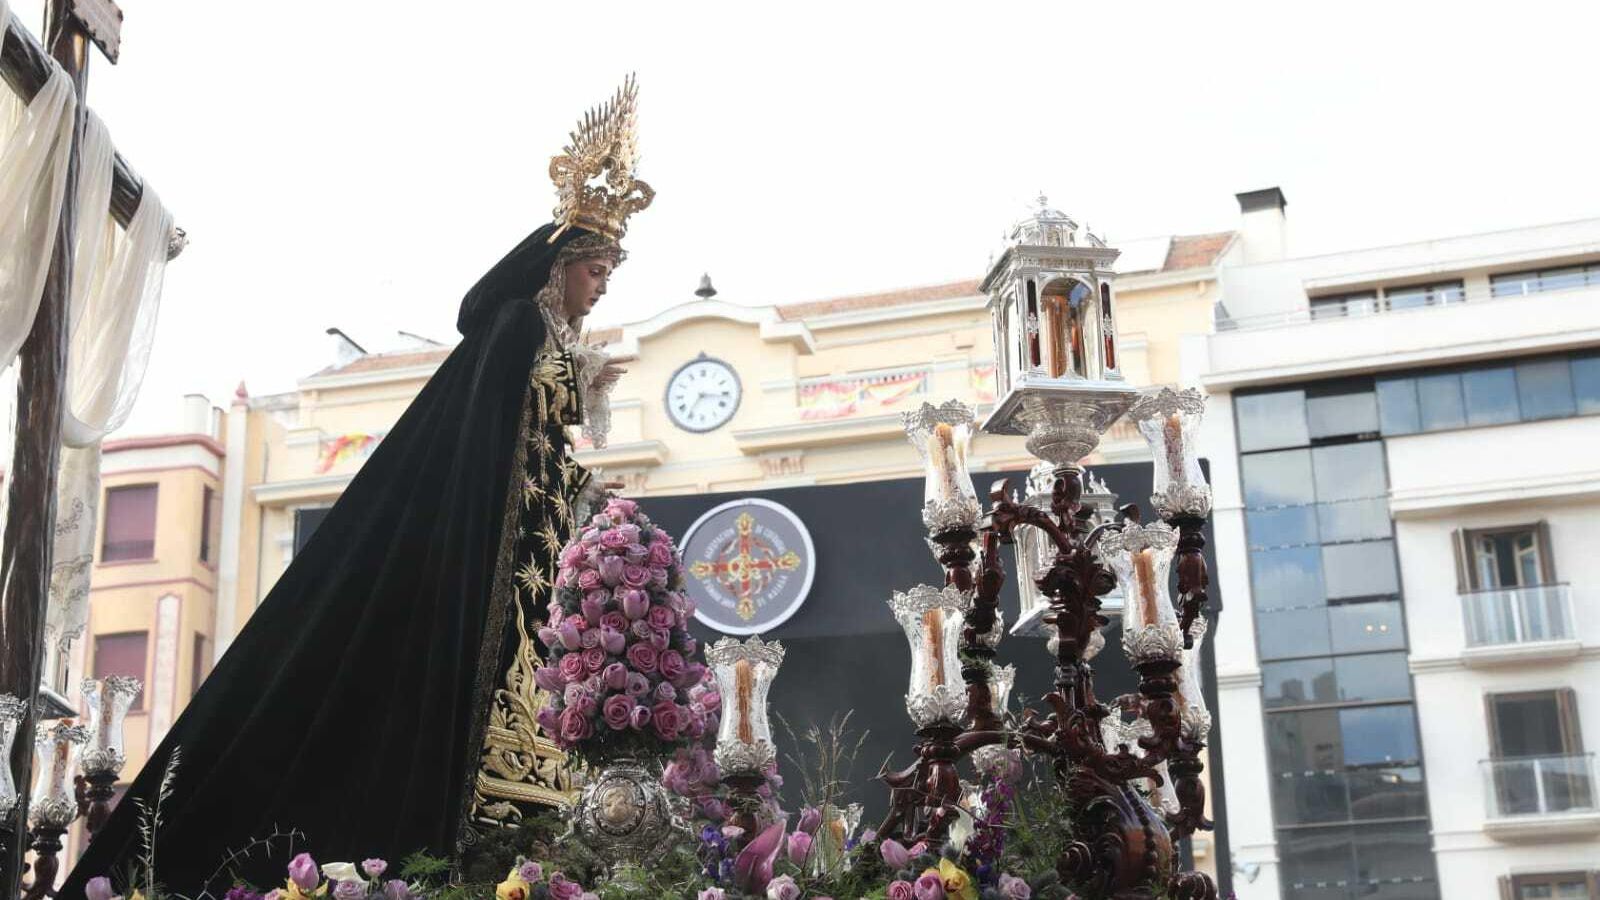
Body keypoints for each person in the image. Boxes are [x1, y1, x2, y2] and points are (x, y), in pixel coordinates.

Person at [62, 79, 654, 896]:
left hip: (532, 559)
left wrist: (582, 458)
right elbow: (495, 441)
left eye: (607, 275)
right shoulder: (519, 327)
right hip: (500, 559)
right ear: (560, 264)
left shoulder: (549, 339)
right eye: (595, 270)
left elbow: (534, 451)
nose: (601, 287)